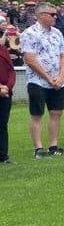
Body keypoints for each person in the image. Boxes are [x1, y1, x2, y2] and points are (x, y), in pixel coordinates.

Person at [20, 2, 64, 157]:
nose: (56, 17)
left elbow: (63, 55)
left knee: (56, 112)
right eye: (52, 14)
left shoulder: (57, 33)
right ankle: (38, 148)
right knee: (37, 114)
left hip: (57, 81)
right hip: (38, 81)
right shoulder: (29, 33)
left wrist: (61, 76)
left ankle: (53, 146)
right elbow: (30, 59)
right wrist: (48, 78)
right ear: (41, 15)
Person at [0, 35, 14, 164]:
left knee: (2, 124)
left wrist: (7, 87)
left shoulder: (3, 50)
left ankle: (3, 156)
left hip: (5, 93)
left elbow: (11, 71)